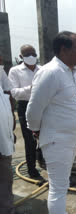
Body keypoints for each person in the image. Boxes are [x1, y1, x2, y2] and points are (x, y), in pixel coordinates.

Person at [26, 31, 76, 214]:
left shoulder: (71, 72)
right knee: (58, 189)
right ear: (63, 49)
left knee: (62, 184)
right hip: (56, 141)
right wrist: (36, 130)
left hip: (70, 140)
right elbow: (33, 109)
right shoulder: (50, 73)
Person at [8, 45, 45, 179]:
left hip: (43, 106)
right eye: (27, 54)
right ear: (21, 57)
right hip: (25, 106)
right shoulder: (15, 71)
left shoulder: (42, 69)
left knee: (46, 137)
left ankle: (44, 161)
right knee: (30, 140)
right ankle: (32, 169)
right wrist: (32, 88)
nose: (31, 56)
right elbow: (14, 92)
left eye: (33, 53)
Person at [0, 57, 15, 214]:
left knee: (5, 179)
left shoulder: (1, 74)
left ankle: (7, 209)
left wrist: (11, 131)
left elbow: (8, 94)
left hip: (5, 138)